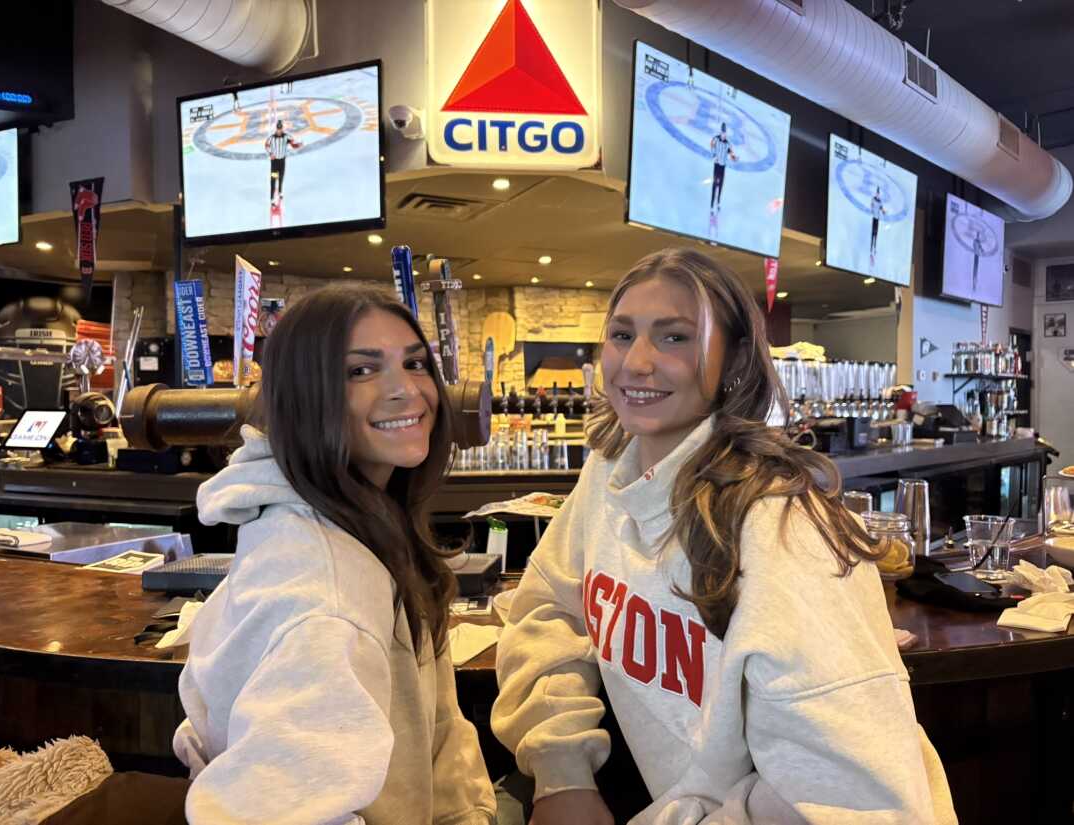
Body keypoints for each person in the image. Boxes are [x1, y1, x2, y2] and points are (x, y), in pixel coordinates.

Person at [492, 248, 956, 825]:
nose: (636, 362)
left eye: (675, 338)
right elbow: (547, 608)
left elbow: (851, 800)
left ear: (735, 359)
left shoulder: (782, 529)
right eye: (621, 334)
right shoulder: (609, 468)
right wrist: (563, 772)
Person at [173, 284, 500, 824]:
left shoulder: (362, 525)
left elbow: (436, 728)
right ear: (304, 395)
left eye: (415, 363)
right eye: (360, 371)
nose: (406, 391)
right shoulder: (326, 596)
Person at [264, 120, 301, 206]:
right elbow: (266, 145)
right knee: (273, 179)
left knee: (281, 177)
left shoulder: (286, 136)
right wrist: (270, 153)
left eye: (280, 128)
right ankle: (272, 199)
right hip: (274, 163)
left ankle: (280, 192)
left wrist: (299, 145)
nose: (279, 130)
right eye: (278, 129)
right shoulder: (271, 138)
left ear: (282, 128)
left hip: (282, 161)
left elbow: (293, 144)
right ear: (276, 129)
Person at [707, 122, 738, 214]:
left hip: (723, 166)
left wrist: (734, 158)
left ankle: (718, 202)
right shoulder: (716, 139)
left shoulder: (728, 144)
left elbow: (731, 153)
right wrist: (713, 156)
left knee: (720, 185)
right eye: (722, 133)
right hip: (716, 165)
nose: (724, 135)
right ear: (720, 132)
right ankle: (712, 205)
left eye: (725, 133)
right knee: (714, 184)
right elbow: (712, 145)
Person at [870, 186, 887, 265]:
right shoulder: (873, 199)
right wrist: (872, 210)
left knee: (876, 233)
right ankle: (871, 247)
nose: (878, 195)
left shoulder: (880, 201)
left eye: (878, 194)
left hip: (877, 218)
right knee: (872, 233)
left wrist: (884, 212)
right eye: (877, 193)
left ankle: (874, 247)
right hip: (874, 217)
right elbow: (871, 205)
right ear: (876, 193)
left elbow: (881, 208)